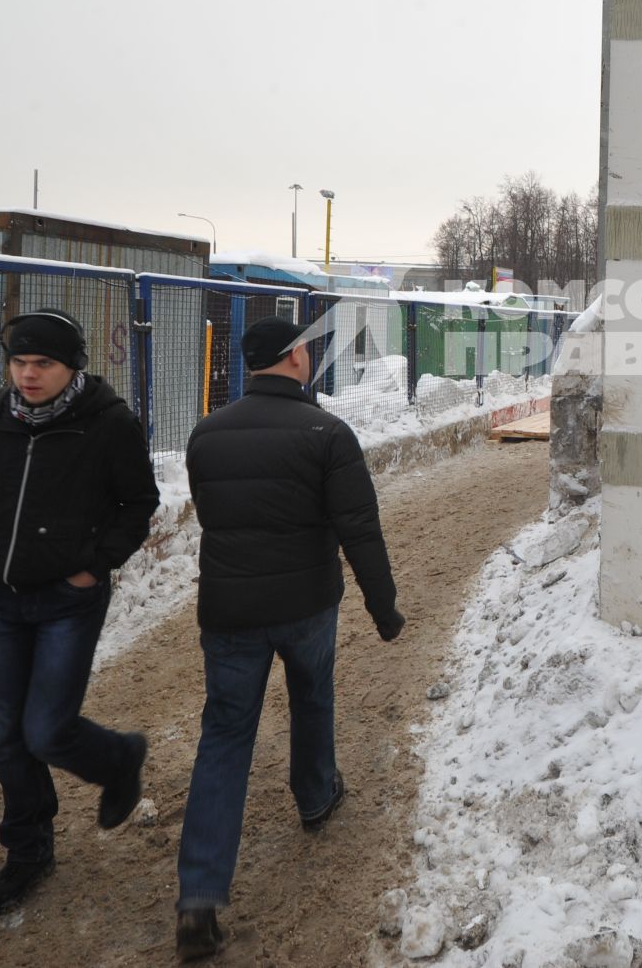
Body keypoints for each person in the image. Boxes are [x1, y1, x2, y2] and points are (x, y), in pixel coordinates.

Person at [174, 316, 404, 960]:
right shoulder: (327, 433)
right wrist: (384, 609)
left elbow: (214, 515)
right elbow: (360, 528)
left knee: (223, 736)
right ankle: (315, 795)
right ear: (298, 358)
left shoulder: (206, 436)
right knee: (312, 696)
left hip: (229, 612)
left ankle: (198, 899)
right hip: (306, 605)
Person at [0, 308, 160, 918]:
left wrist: (93, 567)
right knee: (9, 740)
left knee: (46, 729)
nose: (29, 374)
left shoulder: (109, 424)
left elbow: (137, 503)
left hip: (68, 600)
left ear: (72, 367)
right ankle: (27, 852)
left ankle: (119, 759)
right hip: (1, 597)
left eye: (43, 363)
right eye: (19, 361)